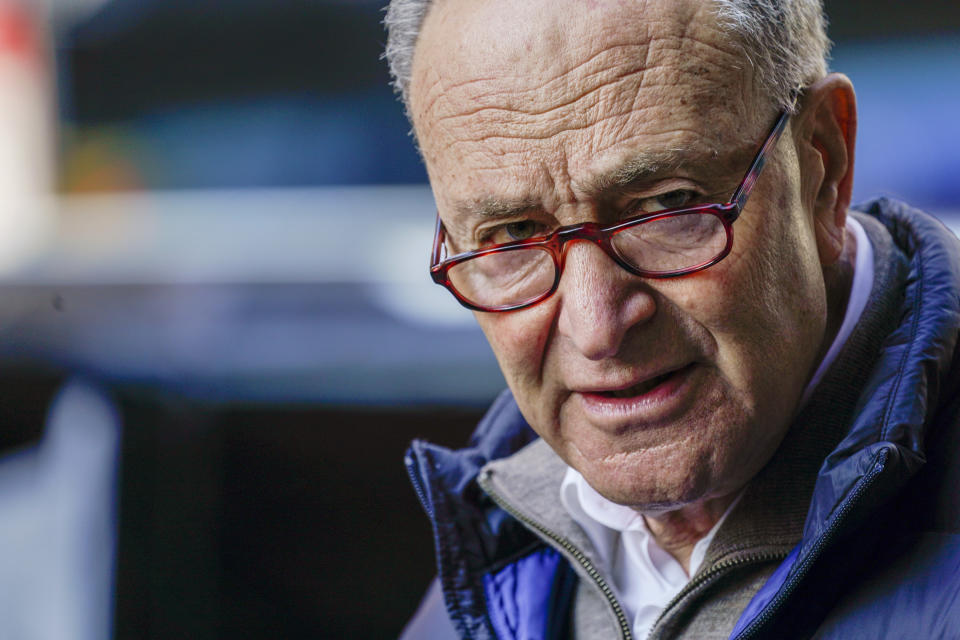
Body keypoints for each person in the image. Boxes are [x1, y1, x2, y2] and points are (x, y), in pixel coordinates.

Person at [385, 0, 960, 637]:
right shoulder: (490, 569)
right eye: (513, 234)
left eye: (668, 205)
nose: (597, 328)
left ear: (823, 166)